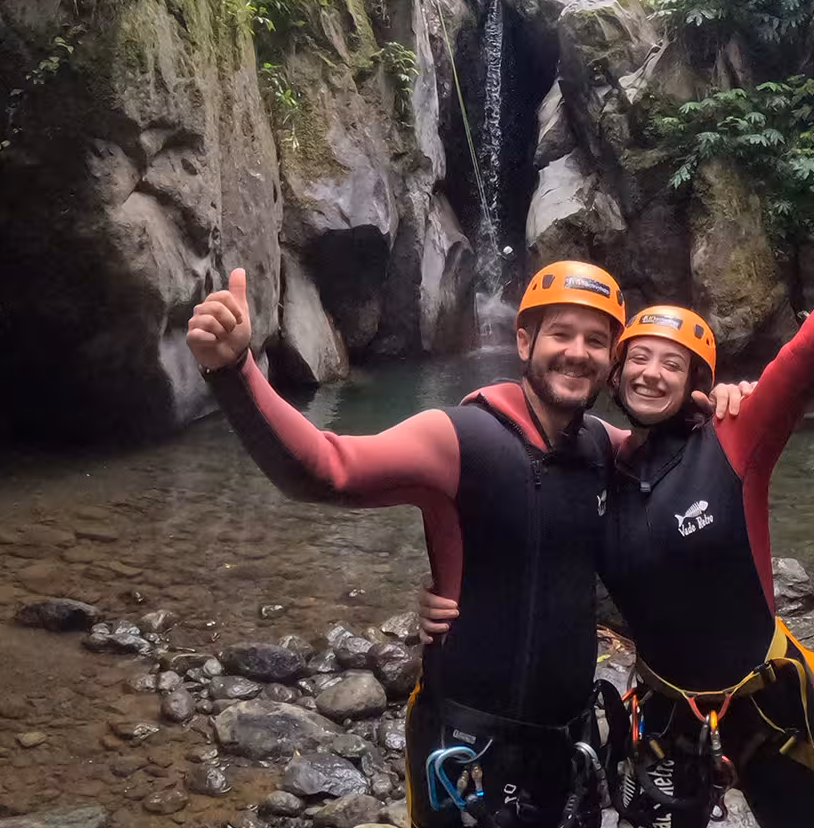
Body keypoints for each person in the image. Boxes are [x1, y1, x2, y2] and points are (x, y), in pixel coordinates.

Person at [420, 161, 814, 827]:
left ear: (698, 379)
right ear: (614, 369)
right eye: (637, 356)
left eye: (673, 363)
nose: (650, 372)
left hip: (763, 697)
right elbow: (521, 506)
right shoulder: (602, 458)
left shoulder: (735, 437)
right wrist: (448, 592)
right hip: (662, 709)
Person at [185, 260, 752, 828]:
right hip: (465, 751)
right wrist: (235, 370)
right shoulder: (458, 437)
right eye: (561, 333)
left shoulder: (605, 448)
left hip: (569, 745)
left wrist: (724, 407)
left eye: (596, 341)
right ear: (524, 339)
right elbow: (327, 469)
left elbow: (675, 459)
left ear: (611, 361)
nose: (578, 352)